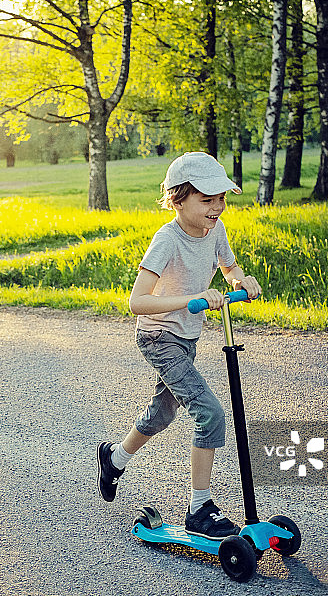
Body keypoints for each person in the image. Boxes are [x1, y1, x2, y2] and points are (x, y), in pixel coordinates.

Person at [97, 151, 262, 540]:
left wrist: (241, 279)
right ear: (178, 199)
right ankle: (199, 507)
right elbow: (137, 302)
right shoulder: (166, 240)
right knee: (210, 414)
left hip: (188, 336)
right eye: (207, 200)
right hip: (159, 336)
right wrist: (191, 299)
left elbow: (228, 266)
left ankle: (114, 458)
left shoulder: (216, 230)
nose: (217, 207)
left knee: (161, 414)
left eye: (221, 198)